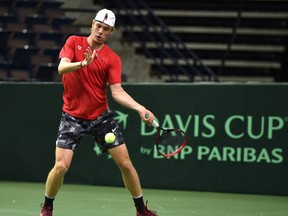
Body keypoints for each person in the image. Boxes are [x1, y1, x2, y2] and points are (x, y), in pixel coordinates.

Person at [40, 8, 158, 216]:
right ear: (92, 24)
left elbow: (117, 91)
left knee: (126, 164)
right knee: (61, 166)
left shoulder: (112, 59)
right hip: (72, 116)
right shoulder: (73, 42)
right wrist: (83, 63)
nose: (101, 31)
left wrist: (141, 108)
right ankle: (47, 206)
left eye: (106, 29)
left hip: (100, 117)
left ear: (111, 32)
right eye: (98, 26)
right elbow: (61, 68)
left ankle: (141, 210)